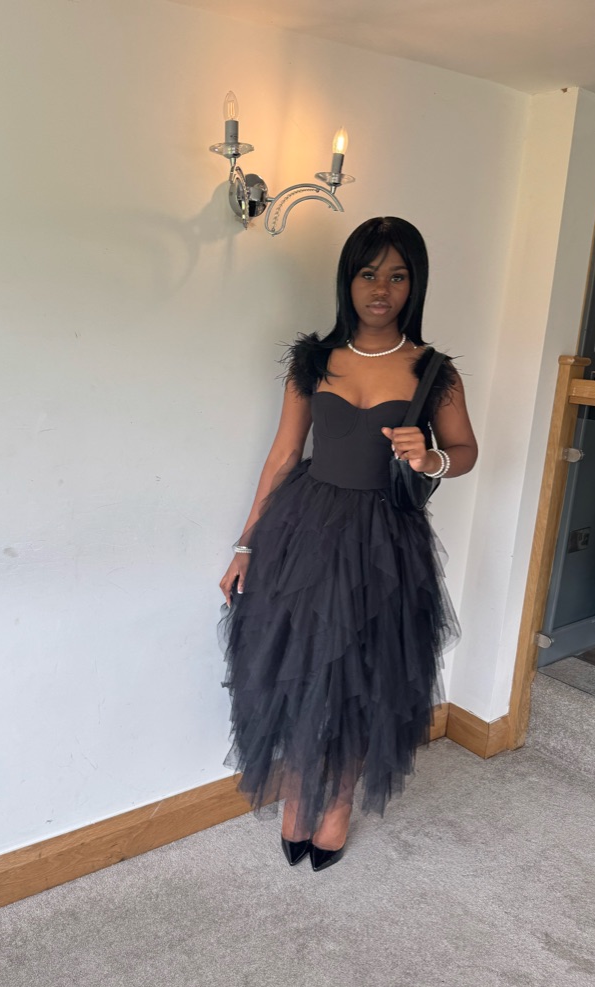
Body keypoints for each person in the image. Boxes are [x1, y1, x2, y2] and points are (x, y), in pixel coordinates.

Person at [218, 217, 478, 872]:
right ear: (348, 280)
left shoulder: (434, 371)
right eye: (368, 273)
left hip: (384, 546)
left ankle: (335, 806)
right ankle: (298, 795)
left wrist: (433, 458)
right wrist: (246, 545)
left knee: (366, 676)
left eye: (397, 275)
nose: (381, 289)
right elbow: (283, 456)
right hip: (304, 532)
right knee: (302, 667)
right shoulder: (313, 361)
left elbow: (466, 450)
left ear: (414, 284)